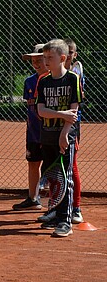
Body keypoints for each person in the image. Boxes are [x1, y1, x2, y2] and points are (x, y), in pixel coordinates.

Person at [35, 39, 80, 237]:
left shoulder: (72, 79)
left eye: (49, 57)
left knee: (65, 178)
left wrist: (64, 133)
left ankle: (65, 221)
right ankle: (54, 214)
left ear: (62, 58)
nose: (45, 61)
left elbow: (74, 112)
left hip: (65, 137)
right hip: (47, 136)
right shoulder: (43, 81)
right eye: (44, 57)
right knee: (53, 177)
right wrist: (62, 114)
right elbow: (41, 110)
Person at [12, 44, 47, 211]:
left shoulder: (55, 80)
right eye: (33, 61)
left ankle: (57, 204)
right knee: (33, 163)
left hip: (50, 132)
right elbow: (30, 107)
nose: (36, 64)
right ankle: (33, 198)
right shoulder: (29, 81)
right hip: (33, 132)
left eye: (39, 60)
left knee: (53, 167)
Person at [64, 38, 85, 224]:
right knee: (56, 168)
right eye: (65, 52)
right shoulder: (53, 75)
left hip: (72, 126)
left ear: (74, 55)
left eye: (71, 52)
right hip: (54, 126)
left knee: (72, 166)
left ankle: (76, 208)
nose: (68, 55)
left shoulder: (76, 75)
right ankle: (57, 207)